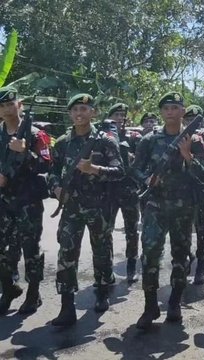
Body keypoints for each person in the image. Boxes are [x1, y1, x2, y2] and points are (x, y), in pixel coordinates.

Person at [132, 91, 204, 329]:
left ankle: (175, 302)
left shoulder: (195, 141)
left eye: (175, 108)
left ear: (182, 111)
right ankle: (150, 305)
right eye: (166, 108)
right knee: (150, 253)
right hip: (155, 206)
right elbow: (135, 169)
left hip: (183, 207)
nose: (170, 112)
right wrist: (147, 181)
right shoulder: (150, 140)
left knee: (180, 255)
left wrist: (187, 156)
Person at [49, 93, 124, 326]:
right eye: (75, 110)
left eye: (84, 108)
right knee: (66, 252)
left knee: (101, 250)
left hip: (99, 207)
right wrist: (56, 188)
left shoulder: (106, 141)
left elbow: (120, 172)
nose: (79, 113)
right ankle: (66, 305)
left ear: (94, 112)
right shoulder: (62, 142)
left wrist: (95, 169)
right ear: (70, 114)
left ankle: (102, 290)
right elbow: (52, 171)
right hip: (71, 207)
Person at [0, 87, 51, 315]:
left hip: (28, 199)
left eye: (10, 104)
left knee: (30, 247)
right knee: (2, 248)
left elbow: (46, 165)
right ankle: (9, 287)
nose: (6, 109)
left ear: (19, 105)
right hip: (3, 200)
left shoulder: (36, 134)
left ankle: (33, 292)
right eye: (2, 106)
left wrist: (26, 152)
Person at [105, 103, 140, 283]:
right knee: (105, 230)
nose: (119, 118)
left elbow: (143, 161)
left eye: (122, 115)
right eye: (116, 114)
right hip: (109, 190)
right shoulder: (103, 137)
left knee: (132, 229)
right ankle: (107, 267)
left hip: (129, 189)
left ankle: (132, 264)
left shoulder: (134, 137)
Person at [183, 104, 204, 284]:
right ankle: (188, 256)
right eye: (188, 120)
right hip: (184, 189)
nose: (192, 124)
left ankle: (203, 260)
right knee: (184, 226)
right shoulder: (180, 137)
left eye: (195, 120)